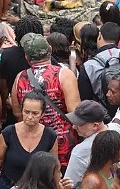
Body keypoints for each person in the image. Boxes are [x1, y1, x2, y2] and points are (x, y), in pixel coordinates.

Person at [11, 33, 80, 167]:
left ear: (27, 57)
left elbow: (17, 113)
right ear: (50, 50)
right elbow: (75, 113)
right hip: (63, 144)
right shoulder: (64, 74)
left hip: (33, 143)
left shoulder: (19, 78)